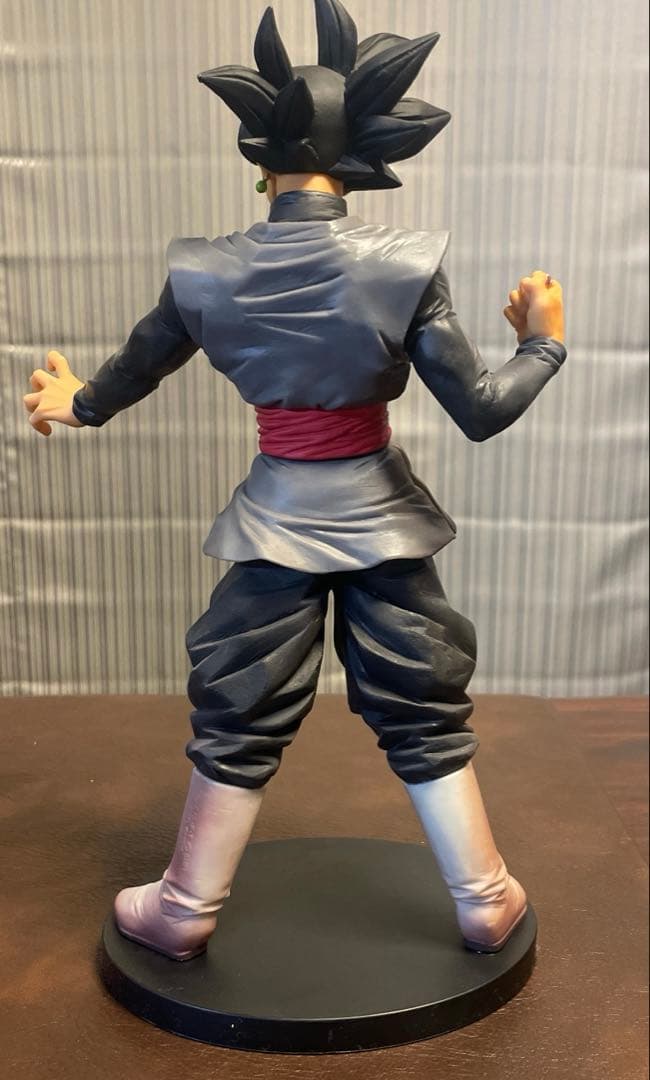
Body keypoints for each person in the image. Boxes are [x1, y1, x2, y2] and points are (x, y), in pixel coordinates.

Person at [23, 0, 565, 961]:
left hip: (277, 511)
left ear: (259, 152)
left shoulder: (208, 273)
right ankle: (483, 895)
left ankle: (186, 905)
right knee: (421, 699)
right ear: (359, 156)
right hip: (381, 512)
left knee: (239, 699)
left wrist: (80, 403)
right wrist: (544, 344)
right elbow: (482, 409)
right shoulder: (403, 266)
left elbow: (137, 366)